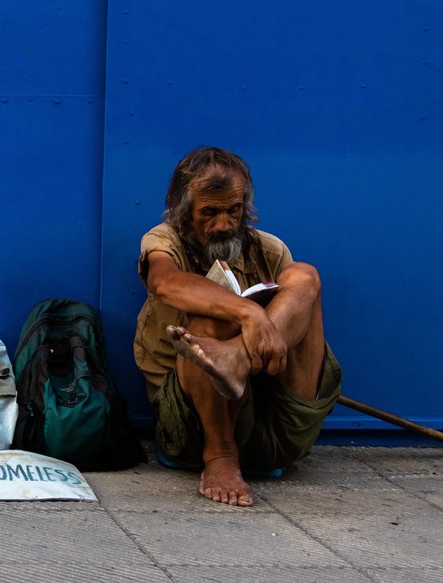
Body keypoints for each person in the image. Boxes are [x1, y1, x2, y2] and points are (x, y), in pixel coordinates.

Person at [133, 146, 341, 507]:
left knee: (305, 276)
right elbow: (163, 282)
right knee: (210, 316)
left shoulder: (270, 250)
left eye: (234, 210)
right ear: (184, 212)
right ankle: (221, 457)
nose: (225, 224)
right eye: (209, 212)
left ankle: (234, 358)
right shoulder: (165, 240)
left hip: (275, 426)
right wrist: (249, 314)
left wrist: (243, 349)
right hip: (194, 430)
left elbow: (294, 329)